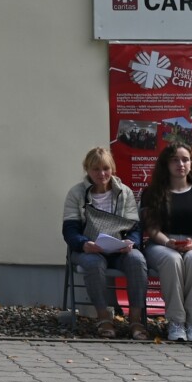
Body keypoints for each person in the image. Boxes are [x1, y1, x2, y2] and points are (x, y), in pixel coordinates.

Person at [61, 146, 150, 341]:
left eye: (106, 168)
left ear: (113, 169)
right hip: (88, 249)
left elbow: (134, 227)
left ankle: (135, 319)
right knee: (94, 263)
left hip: (119, 249)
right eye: (96, 169)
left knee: (137, 260)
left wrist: (131, 244)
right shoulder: (77, 193)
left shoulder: (124, 192)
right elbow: (70, 230)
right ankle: (103, 318)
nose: (101, 174)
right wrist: (84, 244)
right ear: (87, 169)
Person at [138, 145, 192, 343]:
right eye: (175, 159)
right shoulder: (152, 193)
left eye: (185, 159)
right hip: (161, 244)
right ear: (165, 164)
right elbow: (152, 229)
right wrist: (168, 242)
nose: (181, 164)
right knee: (172, 259)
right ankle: (176, 321)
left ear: (191, 163)